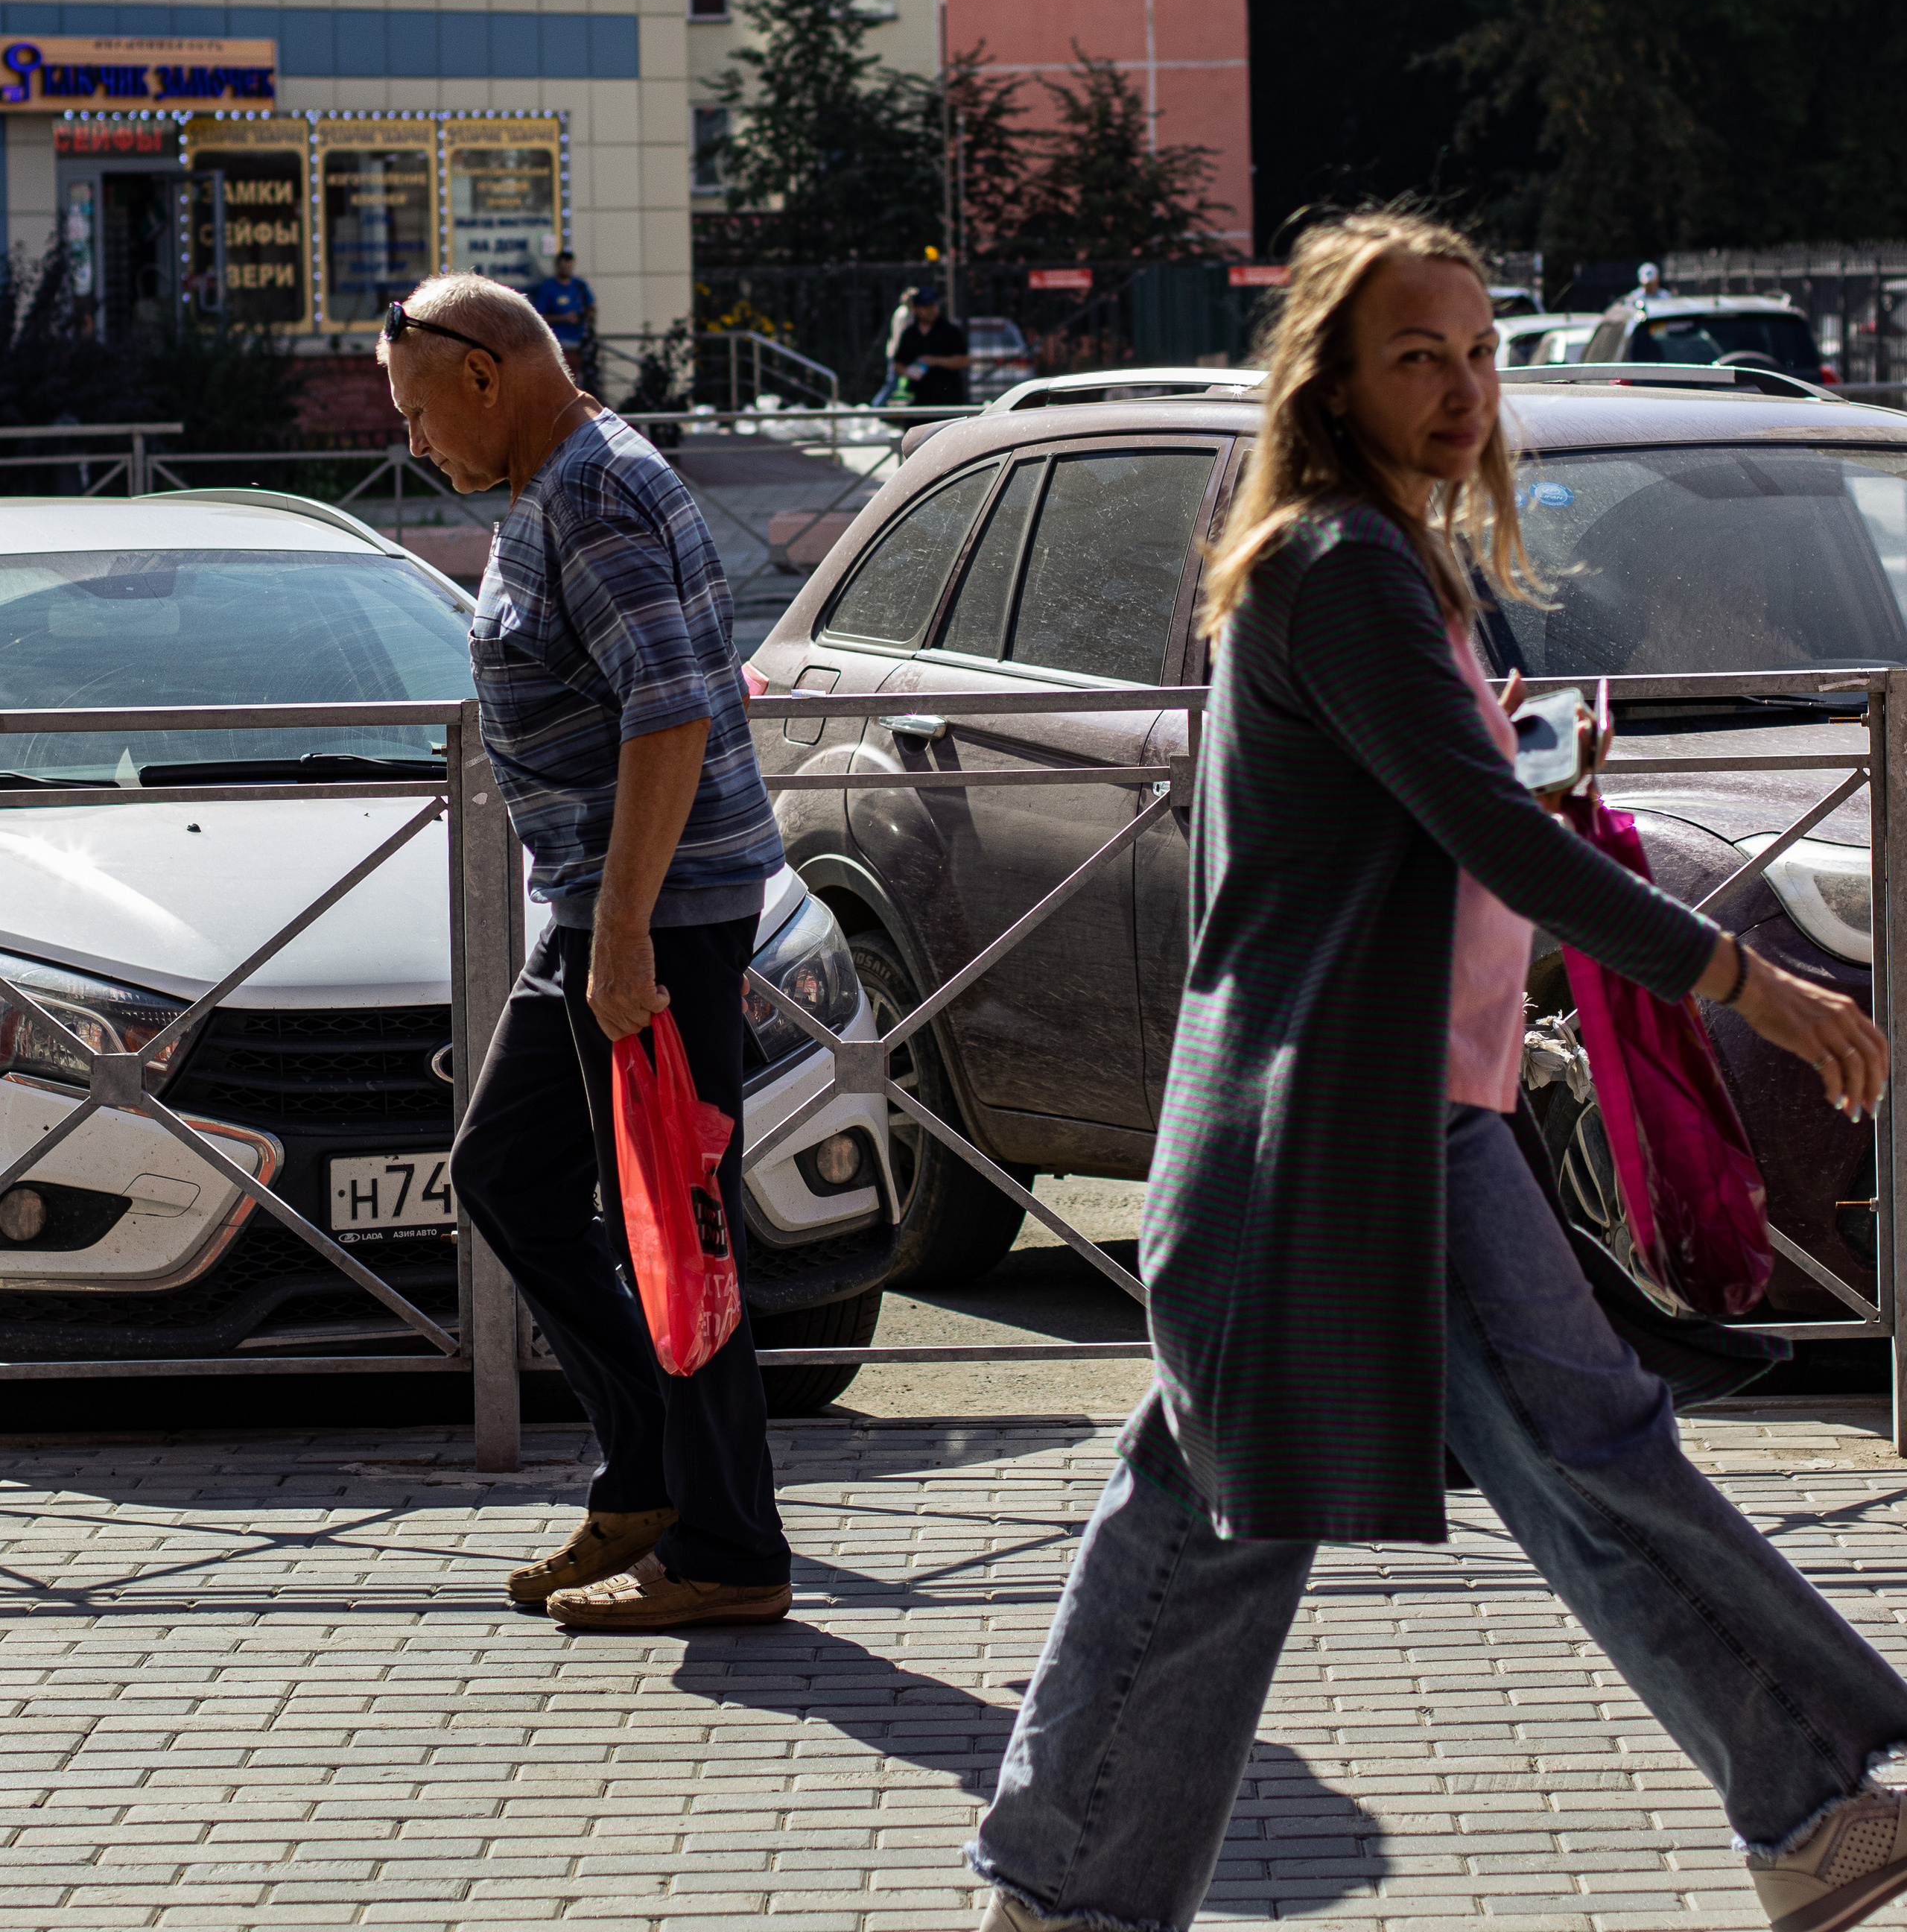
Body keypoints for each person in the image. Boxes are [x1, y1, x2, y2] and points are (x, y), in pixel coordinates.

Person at [969, 209, 1907, 1932]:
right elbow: (1479, 827)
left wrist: (1538, 776)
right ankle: (1805, 1803)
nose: (1464, 387)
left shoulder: (1390, 560)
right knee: (1426, 1471)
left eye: (1478, 352)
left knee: (1309, 1489)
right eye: (1417, 357)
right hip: (1345, 1123)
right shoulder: (1338, 565)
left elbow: (1439, 808)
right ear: (1330, 383)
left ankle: (1801, 1809)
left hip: (1374, 1111)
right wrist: (1743, 982)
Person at [380, 272, 793, 1634]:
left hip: (651, 917)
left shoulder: (595, 495)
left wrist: (621, 937)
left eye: (421, 412)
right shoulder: (556, 482)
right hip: (603, 909)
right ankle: (652, 1478)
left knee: (673, 1221)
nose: (415, 442)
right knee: (509, 1173)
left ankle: (729, 1547)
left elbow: (668, 714)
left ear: (485, 375)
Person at [892, 284, 970, 402]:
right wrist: (909, 372)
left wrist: (934, 361)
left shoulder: (950, 331)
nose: (931, 310)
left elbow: (964, 361)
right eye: (926, 306)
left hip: (948, 399)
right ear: (916, 309)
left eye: (933, 305)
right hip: (919, 400)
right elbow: (898, 365)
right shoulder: (909, 334)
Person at [530, 250, 595, 351]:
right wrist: (564, 318)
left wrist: (583, 316)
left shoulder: (579, 285)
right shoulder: (548, 287)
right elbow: (539, 317)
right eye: (563, 267)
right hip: (558, 342)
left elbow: (591, 307)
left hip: (579, 341)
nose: (566, 270)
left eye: (569, 267)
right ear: (557, 266)